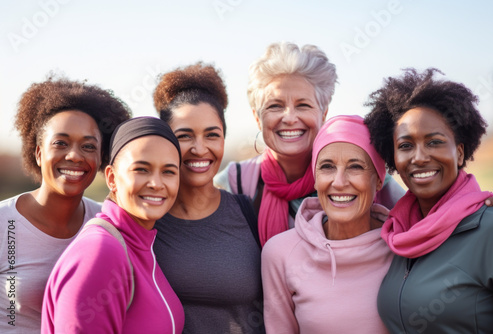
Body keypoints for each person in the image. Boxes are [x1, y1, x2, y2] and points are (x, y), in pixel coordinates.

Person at [215, 42, 406, 246]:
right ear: (257, 116)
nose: (289, 118)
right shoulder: (234, 183)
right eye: (275, 106)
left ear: (323, 113)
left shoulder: (373, 182)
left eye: (303, 105)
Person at [364, 68, 493, 333]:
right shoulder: (397, 235)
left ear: (459, 153)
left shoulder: (492, 230)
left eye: (434, 142)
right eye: (405, 146)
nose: (419, 157)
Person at [0, 76, 130, 333]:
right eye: (60, 143)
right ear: (38, 153)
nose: (74, 155)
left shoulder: (106, 225)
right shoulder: (4, 223)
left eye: (88, 146)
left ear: (101, 158)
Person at [42, 117, 185, 333]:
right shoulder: (100, 252)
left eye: (168, 171)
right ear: (111, 178)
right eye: (141, 169)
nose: (156, 184)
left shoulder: (142, 246)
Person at [152, 63, 265, 333]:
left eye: (211, 135)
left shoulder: (249, 212)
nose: (200, 149)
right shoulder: (146, 221)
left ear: (223, 140)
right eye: (184, 136)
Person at [261, 115, 392, 333]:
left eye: (355, 166)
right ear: (314, 177)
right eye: (327, 167)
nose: (339, 182)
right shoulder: (280, 253)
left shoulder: (403, 248)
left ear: (379, 179)